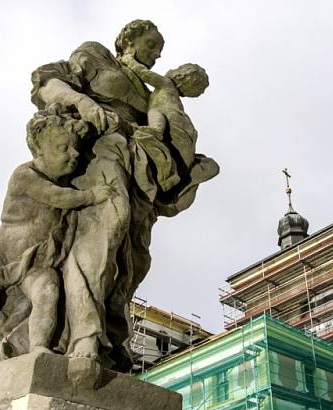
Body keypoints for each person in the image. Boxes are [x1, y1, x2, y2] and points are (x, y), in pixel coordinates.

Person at [29, 19, 218, 370]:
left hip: (140, 170)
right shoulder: (96, 56)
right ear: (127, 41)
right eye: (151, 46)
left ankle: (112, 336)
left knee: (136, 259)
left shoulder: (151, 93)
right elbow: (47, 84)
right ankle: (84, 334)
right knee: (107, 226)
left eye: (159, 53)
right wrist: (82, 103)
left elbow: (166, 122)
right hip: (100, 150)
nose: (156, 56)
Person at [0, 111, 111, 407]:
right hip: (0, 257)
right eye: (62, 148)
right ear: (39, 149)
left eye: (75, 148)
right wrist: (93, 195)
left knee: (48, 292)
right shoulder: (26, 174)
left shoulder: (68, 181)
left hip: (36, 261)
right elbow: (57, 197)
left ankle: (39, 346)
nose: (72, 154)